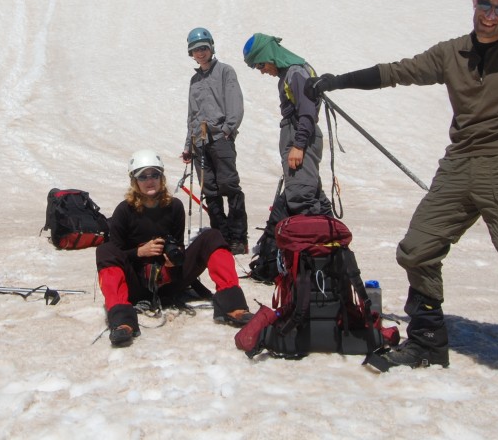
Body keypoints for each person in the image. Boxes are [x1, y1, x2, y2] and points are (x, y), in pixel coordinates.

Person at [305, 0, 498, 414]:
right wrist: (337, 81)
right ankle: (428, 342)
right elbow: (396, 72)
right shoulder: (452, 53)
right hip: (458, 166)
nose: (489, 14)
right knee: (416, 251)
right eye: (484, 4)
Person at [95, 149, 254, 347]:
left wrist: (174, 259)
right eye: (143, 176)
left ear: (162, 177)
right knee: (104, 250)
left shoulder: (174, 207)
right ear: (134, 181)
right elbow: (116, 254)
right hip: (137, 285)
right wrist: (139, 252)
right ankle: (122, 320)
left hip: (170, 280)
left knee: (212, 236)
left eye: (154, 174)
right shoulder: (124, 211)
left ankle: (233, 305)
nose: (149, 180)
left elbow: (178, 245)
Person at [241, 33, 334, 279]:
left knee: (301, 197)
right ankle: (332, 250)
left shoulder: (295, 74)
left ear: (269, 56)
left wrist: (298, 145)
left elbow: (307, 113)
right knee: (312, 194)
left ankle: (314, 268)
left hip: (299, 137)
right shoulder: (293, 72)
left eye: (260, 64)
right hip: (299, 137)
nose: (261, 71)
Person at [181, 27, 249, 254]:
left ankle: (238, 238)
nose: (200, 53)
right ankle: (221, 236)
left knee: (229, 185)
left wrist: (228, 130)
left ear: (211, 48)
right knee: (210, 189)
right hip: (200, 143)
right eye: (195, 50)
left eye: (203, 48)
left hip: (220, 137)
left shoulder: (225, 72)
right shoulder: (194, 80)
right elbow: (192, 115)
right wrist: (188, 144)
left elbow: (235, 103)